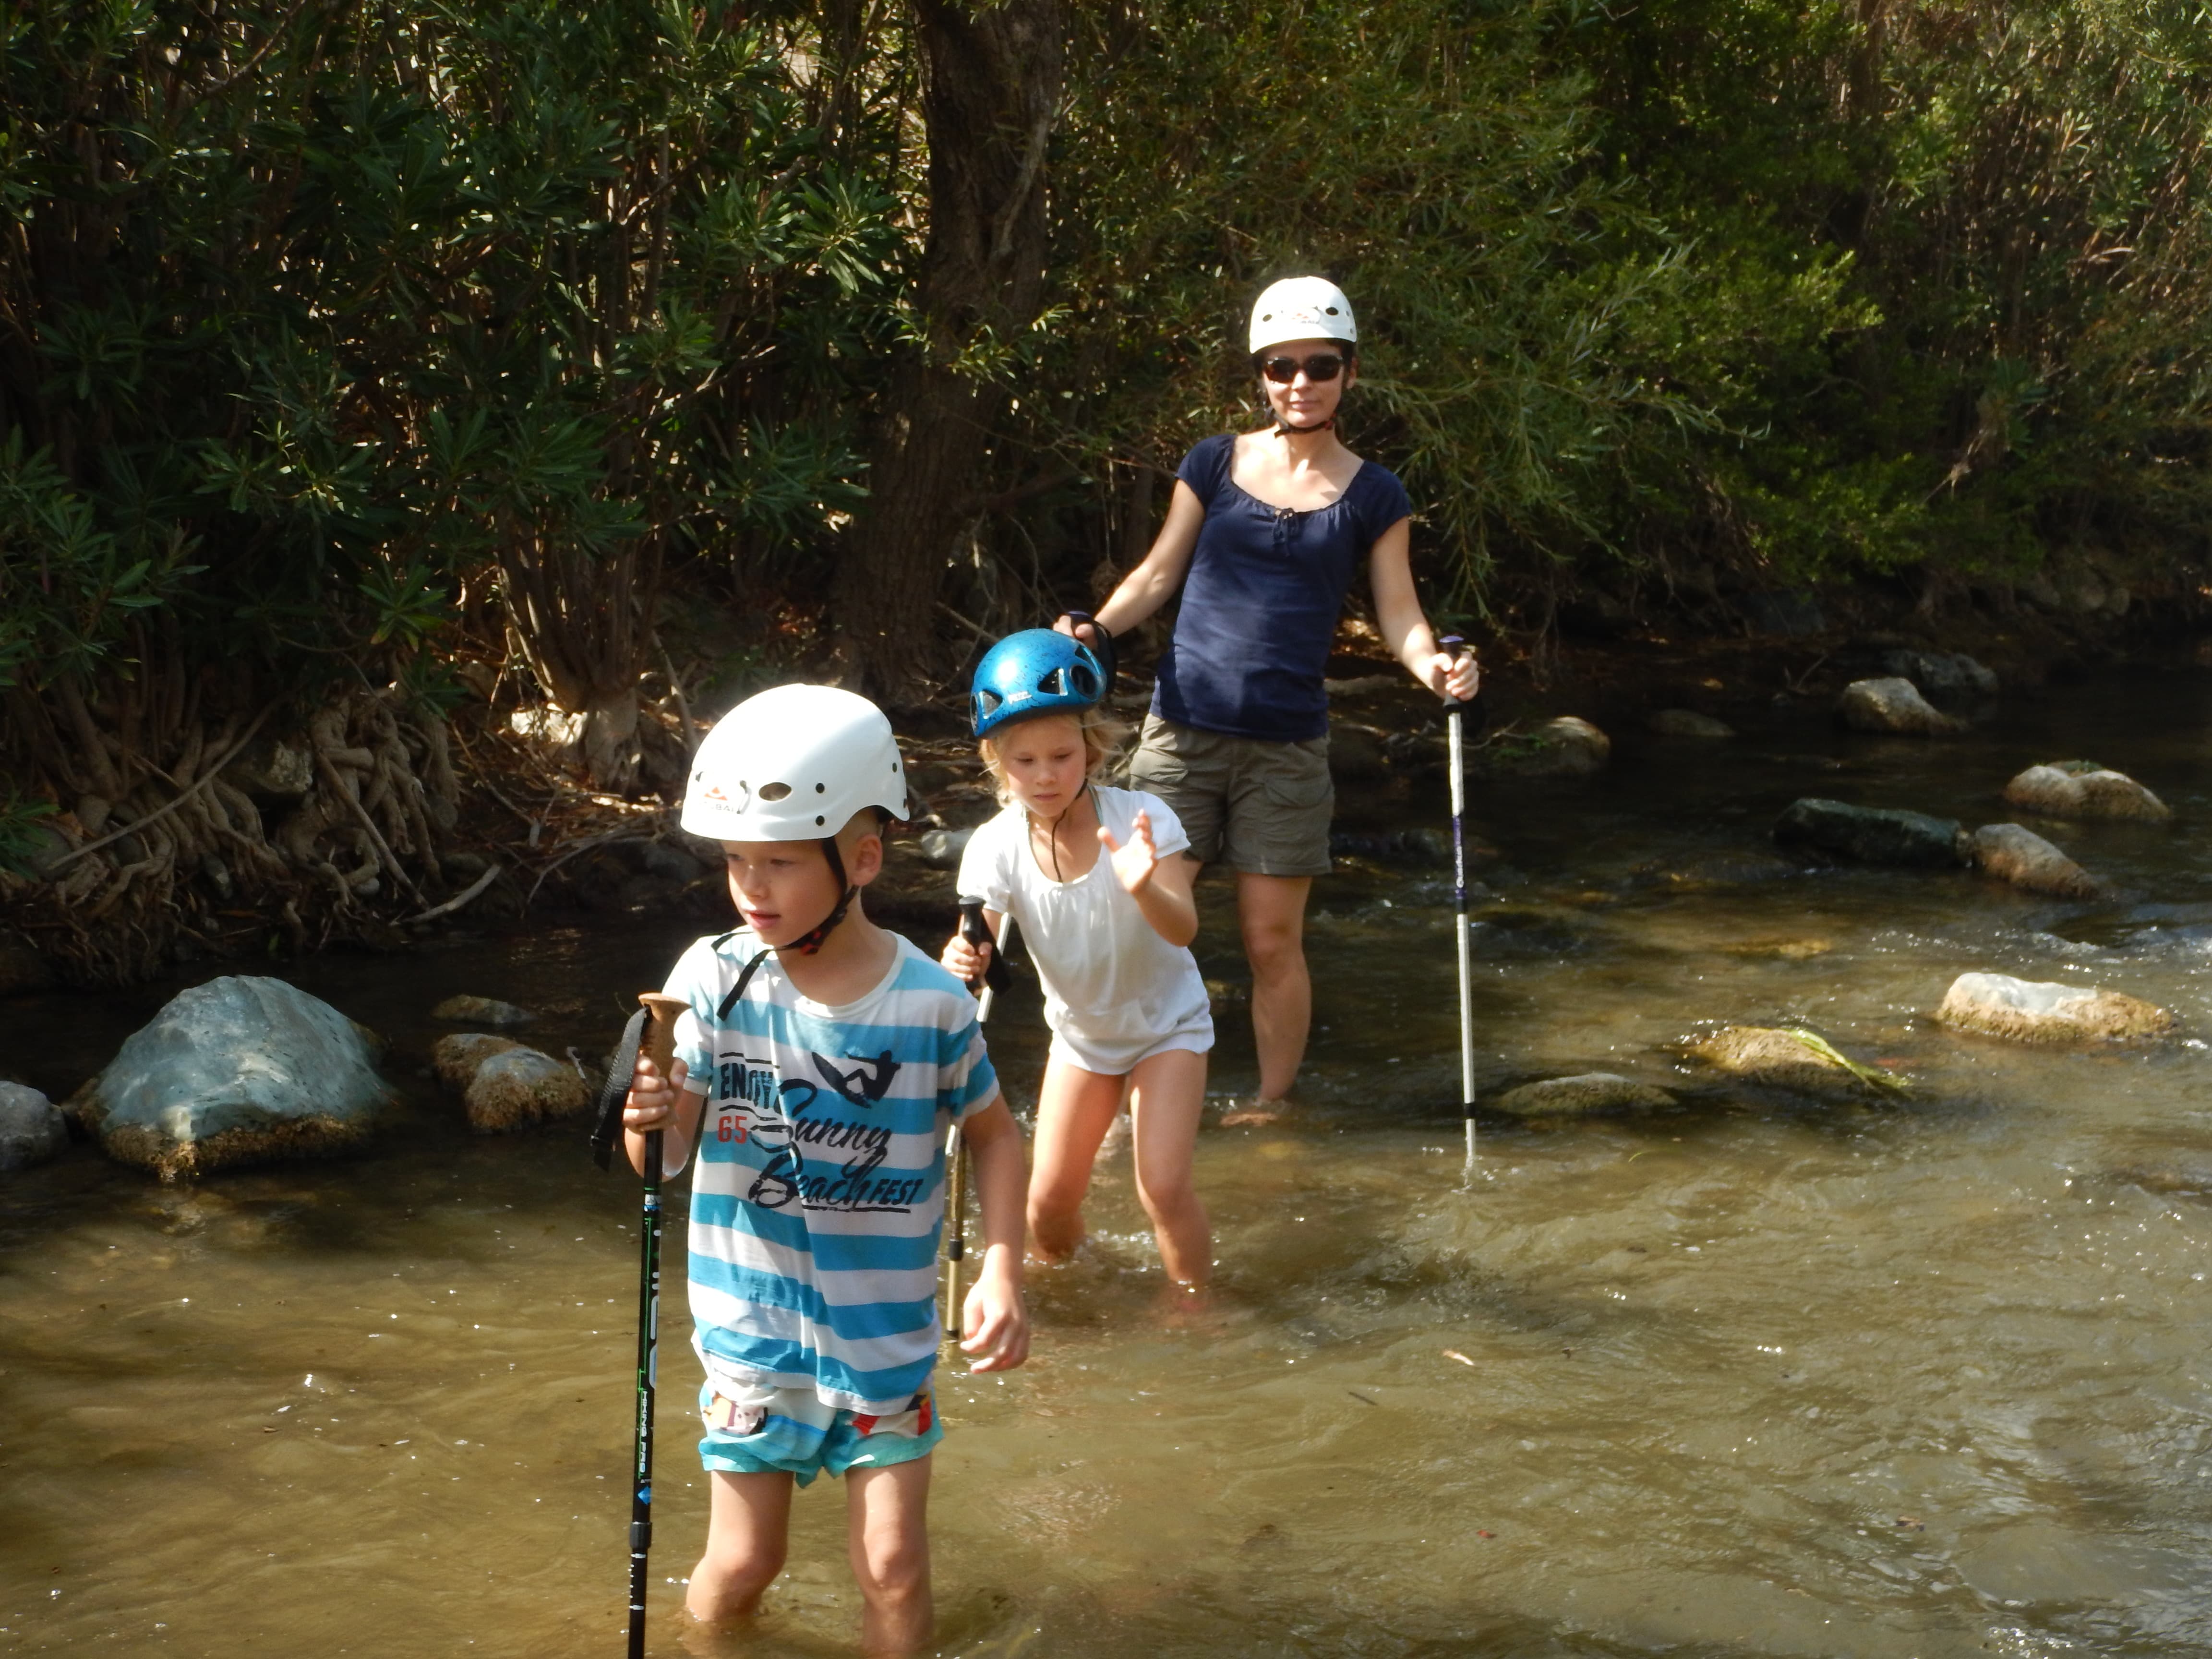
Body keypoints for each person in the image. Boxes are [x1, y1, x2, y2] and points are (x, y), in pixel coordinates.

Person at [619, 683, 1029, 1657]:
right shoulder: (711, 981)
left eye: (780, 864)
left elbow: (996, 1133)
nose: (752, 888)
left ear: (863, 858)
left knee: (892, 1565)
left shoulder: (931, 1005)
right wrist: (650, 1114)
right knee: (744, 1562)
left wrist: (1005, 1268)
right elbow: (660, 1157)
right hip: (751, 1333)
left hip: (884, 1335)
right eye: (736, 864)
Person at [1062, 276, 1479, 1114]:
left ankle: (1271, 1106)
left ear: (1349, 374)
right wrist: (1092, 637)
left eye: (1319, 366)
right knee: (1138, 926)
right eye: (1281, 365)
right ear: (1260, 373)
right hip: (1181, 733)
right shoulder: (1214, 461)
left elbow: (1399, 614)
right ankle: (1116, 1101)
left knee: (1270, 941)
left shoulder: (1374, 494)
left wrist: (1436, 667)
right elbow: (1157, 572)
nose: (1299, 382)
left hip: (1288, 750)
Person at [940, 630, 1216, 1287]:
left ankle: (1197, 1314)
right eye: (1024, 760)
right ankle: (1078, 1287)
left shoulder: (1142, 818)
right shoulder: (994, 845)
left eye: (1062, 756)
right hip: (1083, 1039)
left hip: (1167, 1027)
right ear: (996, 761)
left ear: (1092, 748)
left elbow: (1183, 930)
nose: (1044, 775)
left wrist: (1145, 883)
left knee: (1162, 1188)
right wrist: (961, 959)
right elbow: (976, 941)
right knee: (1047, 1204)